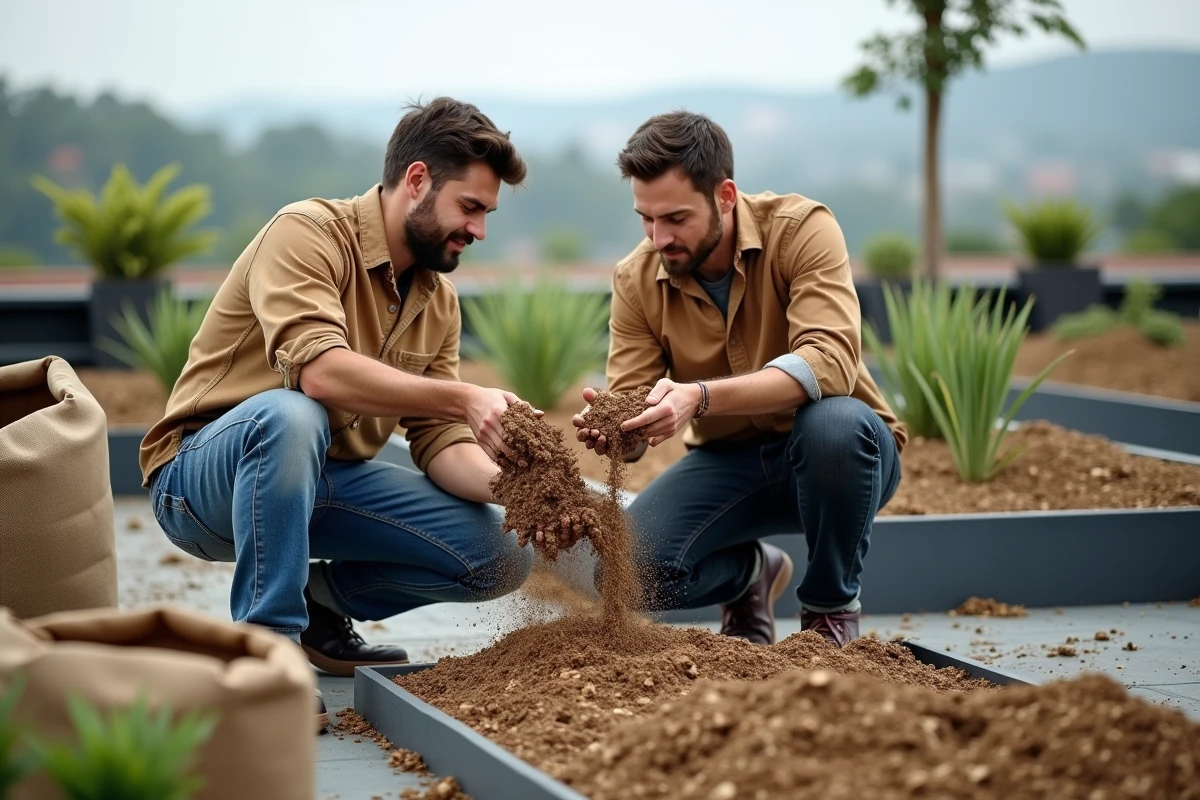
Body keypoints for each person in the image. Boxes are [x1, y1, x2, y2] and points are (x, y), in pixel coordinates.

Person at [139, 97, 585, 733]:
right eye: (471, 207)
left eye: (487, 213)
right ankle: (268, 654)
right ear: (417, 180)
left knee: (498, 555)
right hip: (200, 483)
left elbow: (440, 445)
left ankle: (320, 609)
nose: (479, 230)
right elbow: (320, 373)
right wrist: (464, 397)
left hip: (317, 487)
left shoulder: (439, 301)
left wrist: (526, 494)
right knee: (291, 416)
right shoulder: (308, 232)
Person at [574, 111, 908, 649]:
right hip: (731, 466)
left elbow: (829, 360)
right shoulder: (635, 279)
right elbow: (632, 402)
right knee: (620, 573)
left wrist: (700, 398)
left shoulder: (802, 229)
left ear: (725, 196)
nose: (659, 238)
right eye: (646, 219)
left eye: (676, 218)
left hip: (843, 460)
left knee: (833, 427)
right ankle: (749, 574)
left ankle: (829, 610)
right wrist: (620, 429)